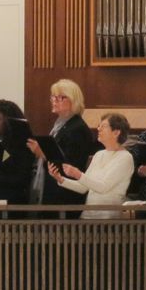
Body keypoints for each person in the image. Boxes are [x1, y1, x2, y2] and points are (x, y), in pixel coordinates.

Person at [26, 79, 94, 215]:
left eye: (60, 97)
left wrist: (42, 154)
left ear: (73, 100)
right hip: (55, 190)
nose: (54, 100)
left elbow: (71, 166)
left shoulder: (77, 129)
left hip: (65, 196)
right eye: (53, 97)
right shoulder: (61, 124)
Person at [48, 113, 134, 219]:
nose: (98, 129)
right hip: (88, 215)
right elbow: (83, 187)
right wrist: (60, 179)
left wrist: (78, 174)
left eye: (103, 126)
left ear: (116, 132)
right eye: (99, 126)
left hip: (108, 218)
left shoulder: (125, 157)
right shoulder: (99, 154)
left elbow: (103, 187)